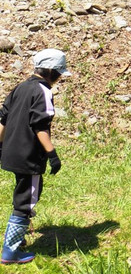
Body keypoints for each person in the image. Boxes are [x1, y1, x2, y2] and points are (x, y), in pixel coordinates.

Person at [0, 49, 70, 265]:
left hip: (11, 152)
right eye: (59, 73)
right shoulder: (43, 91)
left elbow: (3, 118)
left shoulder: (20, 87)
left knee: (22, 193)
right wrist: (52, 153)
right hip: (28, 156)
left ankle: (17, 239)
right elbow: (40, 126)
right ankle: (10, 252)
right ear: (51, 71)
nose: (59, 78)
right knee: (26, 200)